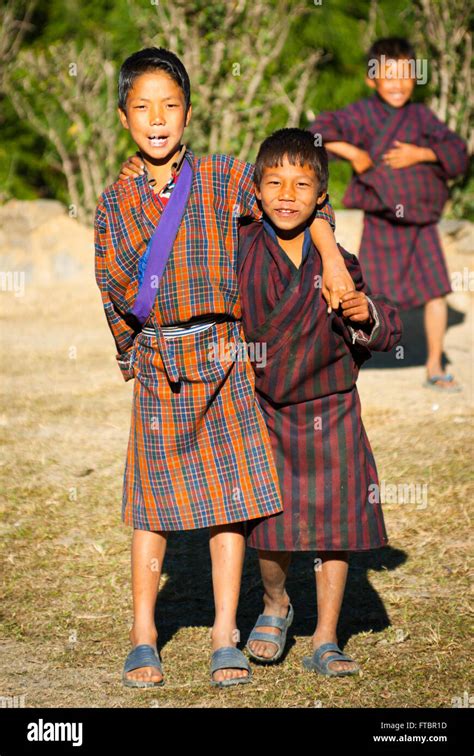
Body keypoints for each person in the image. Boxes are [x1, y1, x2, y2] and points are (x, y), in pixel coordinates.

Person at [95, 47, 352, 688]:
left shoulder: (221, 178)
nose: (159, 119)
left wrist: (334, 259)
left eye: (171, 106)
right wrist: (135, 356)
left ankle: (222, 634)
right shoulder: (113, 203)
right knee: (151, 508)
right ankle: (143, 635)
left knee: (229, 504)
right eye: (144, 108)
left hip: (227, 359)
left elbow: (297, 203)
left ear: (189, 112)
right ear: (124, 117)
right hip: (161, 364)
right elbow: (111, 291)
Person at [237, 128, 402, 675]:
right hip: (268, 408)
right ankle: (275, 602)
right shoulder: (240, 247)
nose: (287, 194)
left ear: (320, 198)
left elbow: (385, 330)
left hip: (330, 408)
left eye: (302, 184)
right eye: (274, 182)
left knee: (337, 525)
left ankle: (327, 637)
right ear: (256, 190)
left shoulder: (339, 261)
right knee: (271, 526)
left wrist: (363, 314)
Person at [309, 37, 469, 392]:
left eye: (405, 75)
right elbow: (316, 133)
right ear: (371, 79)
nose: (397, 83)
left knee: (437, 293)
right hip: (382, 222)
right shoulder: (361, 115)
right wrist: (353, 152)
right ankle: (345, 359)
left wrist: (423, 154)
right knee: (365, 296)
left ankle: (433, 364)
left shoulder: (421, 116)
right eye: (388, 74)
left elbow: (457, 151)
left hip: (421, 223)